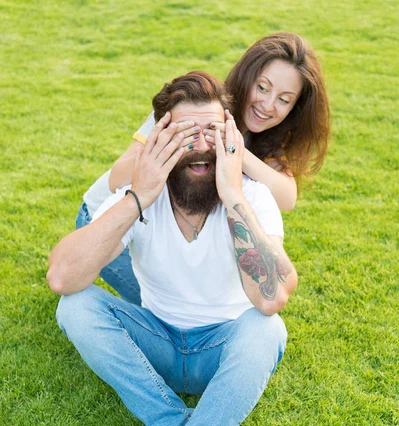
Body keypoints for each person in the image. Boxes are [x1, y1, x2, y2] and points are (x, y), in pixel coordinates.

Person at [47, 71, 298, 426]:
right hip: (156, 342)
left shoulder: (250, 195)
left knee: (267, 331)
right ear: (159, 135)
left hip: (219, 357)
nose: (200, 145)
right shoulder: (142, 192)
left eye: (212, 131)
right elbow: (62, 277)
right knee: (75, 308)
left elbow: (271, 297)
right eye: (185, 133)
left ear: (230, 137)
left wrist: (232, 197)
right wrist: (137, 197)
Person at [77, 32, 329, 304]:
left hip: (164, 230)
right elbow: (117, 179)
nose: (267, 105)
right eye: (263, 87)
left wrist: (234, 149)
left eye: (284, 99)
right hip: (103, 219)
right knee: (171, 308)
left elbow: (287, 197)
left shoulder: (268, 140)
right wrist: (171, 143)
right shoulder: (192, 104)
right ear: (246, 78)